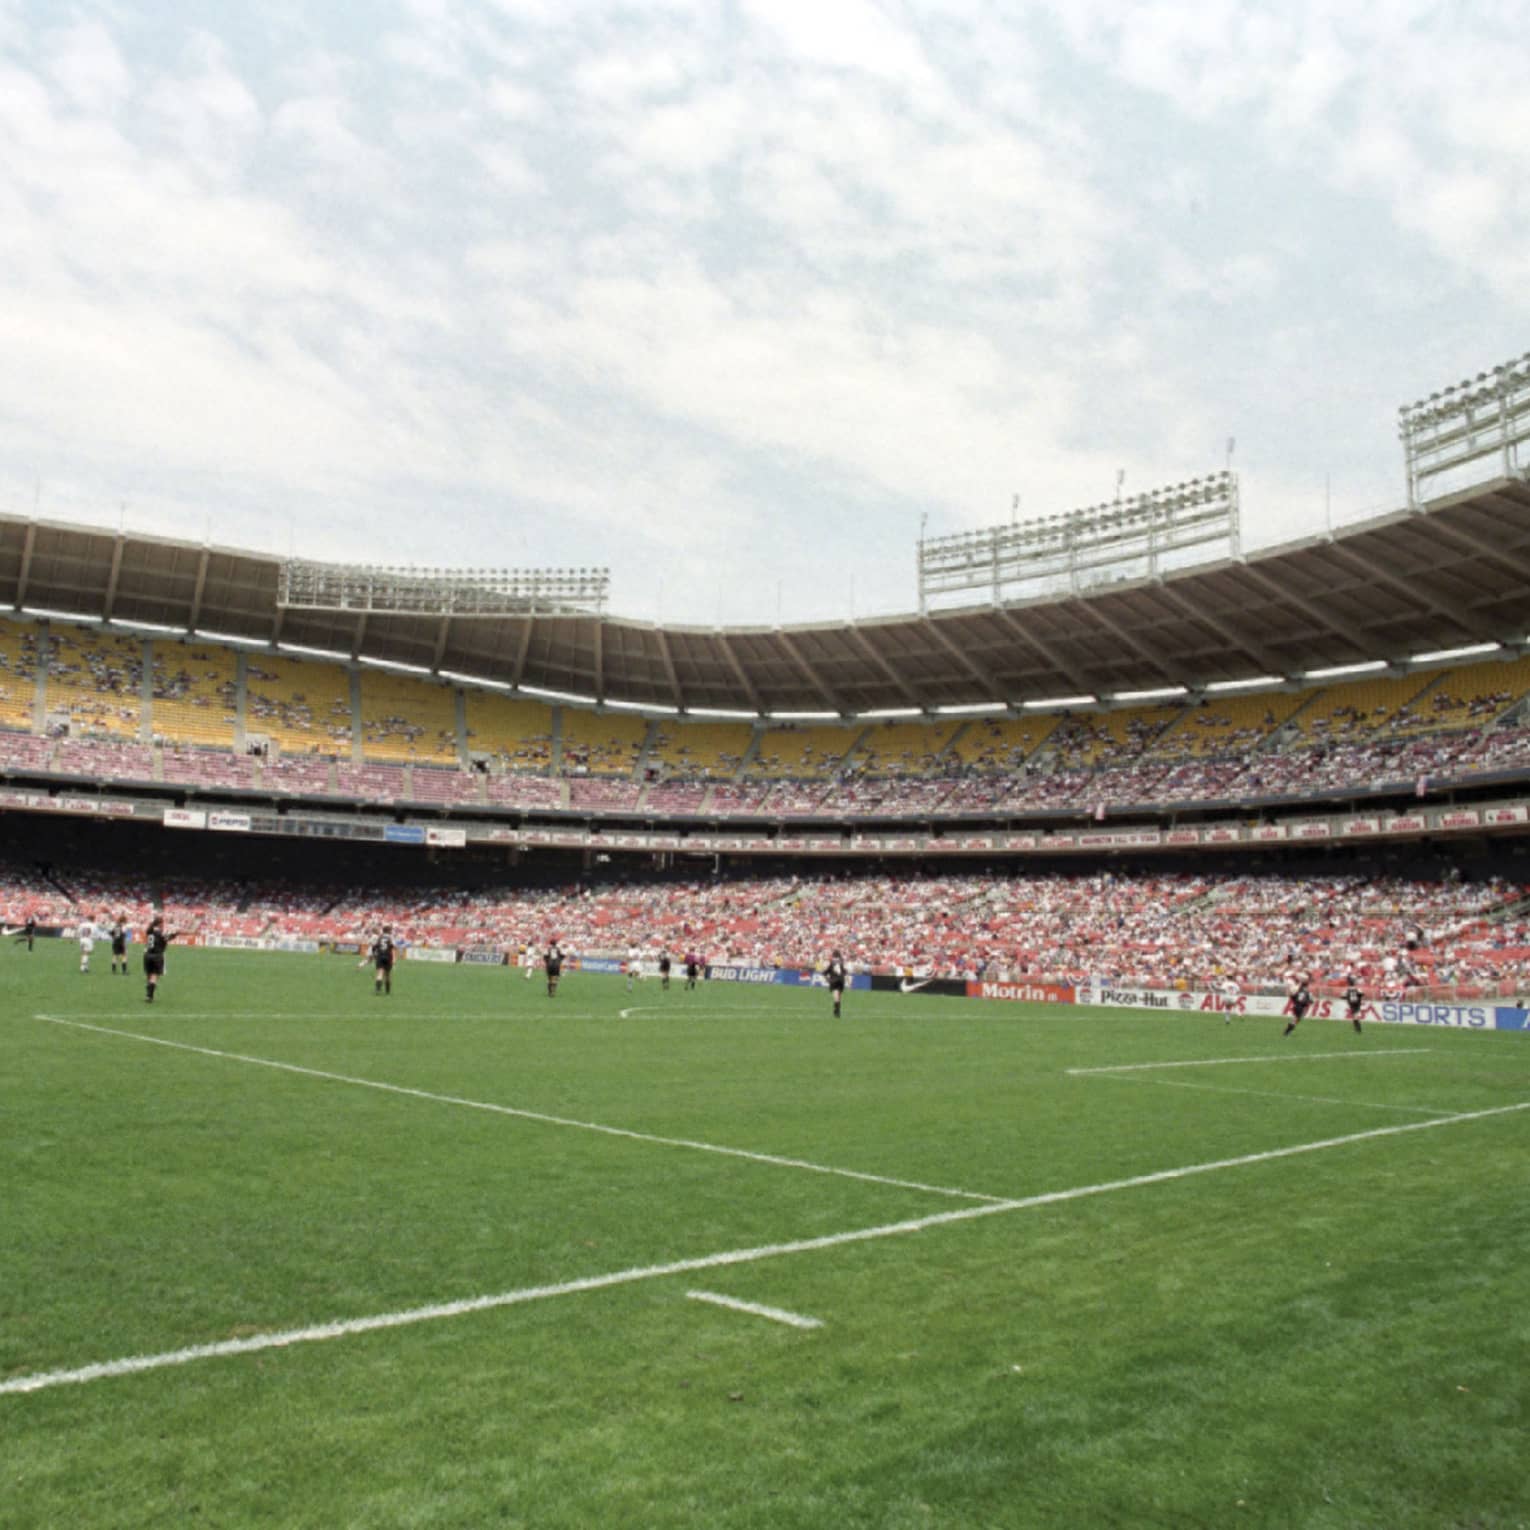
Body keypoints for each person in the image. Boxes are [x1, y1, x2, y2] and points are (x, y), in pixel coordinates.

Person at [142, 916, 181, 1003]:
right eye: (163, 923)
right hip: (157, 956)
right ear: (160, 924)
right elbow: (167, 938)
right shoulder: (159, 932)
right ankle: (149, 996)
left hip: (147, 955)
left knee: (149, 975)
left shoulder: (149, 931)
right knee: (155, 975)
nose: (163, 925)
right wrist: (175, 934)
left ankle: (149, 992)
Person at [359, 927, 395, 996]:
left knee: (380, 973)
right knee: (387, 975)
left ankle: (378, 989)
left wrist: (375, 953)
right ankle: (387, 991)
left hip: (380, 956)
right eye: (391, 930)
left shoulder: (380, 937)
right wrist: (393, 959)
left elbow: (374, 947)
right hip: (388, 956)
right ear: (389, 931)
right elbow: (392, 947)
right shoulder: (390, 938)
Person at [825, 950, 848, 1018]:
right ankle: (837, 1012)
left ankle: (836, 1012)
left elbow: (825, 972)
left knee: (836, 997)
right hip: (841, 982)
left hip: (834, 982)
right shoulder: (842, 962)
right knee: (838, 997)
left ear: (833, 956)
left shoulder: (832, 963)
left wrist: (827, 979)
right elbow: (845, 972)